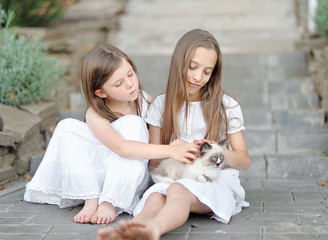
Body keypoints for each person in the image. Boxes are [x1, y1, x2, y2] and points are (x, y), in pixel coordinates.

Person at [97, 29, 251, 240]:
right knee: (156, 198)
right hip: (173, 174)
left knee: (178, 191)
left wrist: (217, 151)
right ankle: (132, 231)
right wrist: (174, 151)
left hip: (214, 179)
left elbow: (243, 160)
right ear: (179, 62)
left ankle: (154, 229)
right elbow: (153, 164)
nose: (198, 77)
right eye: (192, 67)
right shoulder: (161, 105)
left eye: (207, 71)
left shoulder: (226, 106)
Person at [24, 43, 198, 225]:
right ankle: (90, 197)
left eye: (130, 74)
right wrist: (169, 151)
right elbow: (120, 147)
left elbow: (156, 140)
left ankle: (110, 202)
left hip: (129, 174)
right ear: (100, 92)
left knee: (133, 122)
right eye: (118, 83)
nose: (130, 84)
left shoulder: (144, 101)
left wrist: (173, 147)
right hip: (99, 173)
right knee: (66, 126)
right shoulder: (95, 113)